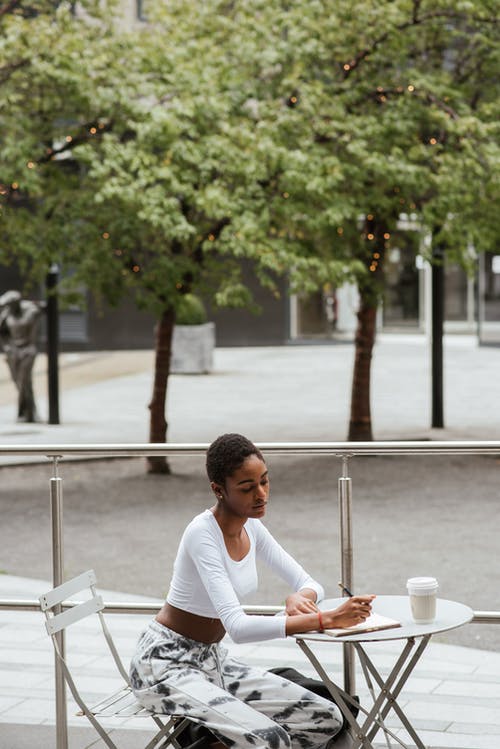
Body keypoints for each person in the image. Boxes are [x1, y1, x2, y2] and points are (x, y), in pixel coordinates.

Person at [130, 433, 375, 749]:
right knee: (269, 738)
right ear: (219, 490)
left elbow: (312, 584)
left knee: (327, 718)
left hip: (210, 660)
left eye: (264, 482)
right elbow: (239, 628)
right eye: (247, 488)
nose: (260, 494)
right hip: (164, 666)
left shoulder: (251, 527)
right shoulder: (201, 534)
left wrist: (301, 597)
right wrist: (324, 621)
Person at [0, 290, 45, 423]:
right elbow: (2, 333)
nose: (8, 306)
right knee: (19, 383)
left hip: (27, 350)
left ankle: (25, 412)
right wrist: (6, 346)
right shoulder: (6, 315)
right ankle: (30, 412)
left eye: (10, 304)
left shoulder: (30, 311)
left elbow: (43, 308)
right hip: (13, 352)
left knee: (24, 381)